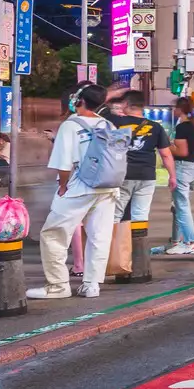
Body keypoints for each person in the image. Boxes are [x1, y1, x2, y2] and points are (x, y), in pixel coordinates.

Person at [32, 83, 123, 299]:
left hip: (79, 188)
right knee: (99, 237)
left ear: (78, 101)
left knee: (53, 234)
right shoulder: (109, 125)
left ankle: (58, 286)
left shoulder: (70, 126)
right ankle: (92, 285)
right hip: (108, 187)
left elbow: (63, 164)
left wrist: (63, 186)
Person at [101, 89, 172, 275]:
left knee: (115, 215)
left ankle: (114, 257)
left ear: (126, 105)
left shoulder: (116, 122)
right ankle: (138, 259)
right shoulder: (155, 127)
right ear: (142, 107)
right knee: (140, 216)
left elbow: (99, 108)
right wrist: (173, 176)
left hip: (123, 175)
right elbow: (165, 154)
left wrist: (110, 95)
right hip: (147, 176)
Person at [165, 96, 194, 256]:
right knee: (180, 207)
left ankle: (189, 242)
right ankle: (179, 241)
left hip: (182, 169)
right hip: (193, 169)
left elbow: (182, 152)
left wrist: (167, 145)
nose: (173, 110)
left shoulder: (183, 127)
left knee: (182, 207)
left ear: (180, 109)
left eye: (174, 107)